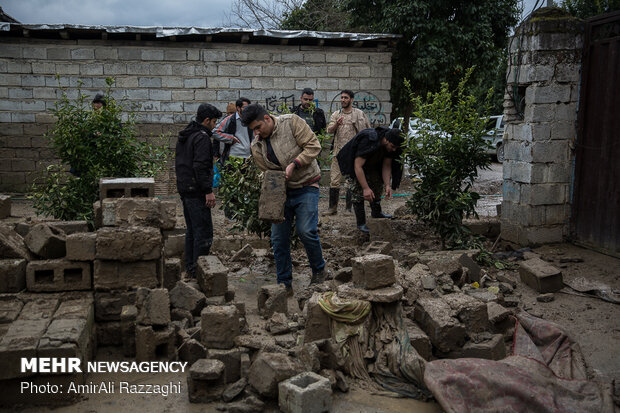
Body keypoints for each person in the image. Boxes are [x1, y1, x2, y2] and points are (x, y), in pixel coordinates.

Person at [241, 103, 327, 293]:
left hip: (306, 185)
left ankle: (319, 271)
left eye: (258, 127)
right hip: (281, 192)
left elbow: (314, 146)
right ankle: (284, 283)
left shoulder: (292, 123)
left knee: (306, 231)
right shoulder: (257, 145)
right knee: (278, 239)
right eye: (252, 130)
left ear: (266, 118)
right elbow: (268, 172)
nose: (256, 133)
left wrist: (295, 164)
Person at [175, 103, 222, 278]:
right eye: (214, 122)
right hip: (196, 191)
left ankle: (190, 268)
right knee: (203, 232)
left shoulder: (186, 135)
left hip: (185, 189)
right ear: (206, 120)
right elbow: (200, 167)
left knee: (192, 231)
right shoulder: (201, 137)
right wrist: (208, 191)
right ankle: (198, 272)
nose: (215, 125)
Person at [336, 127, 404, 233]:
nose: (394, 149)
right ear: (386, 140)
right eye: (393, 146)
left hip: (372, 164)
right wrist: (365, 188)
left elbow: (386, 165)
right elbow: (358, 166)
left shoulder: (391, 146)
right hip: (355, 164)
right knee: (358, 190)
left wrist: (387, 185)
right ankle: (361, 223)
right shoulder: (369, 139)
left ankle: (376, 213)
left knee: (377, 184)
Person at [325, 90, 370, 215]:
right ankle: (332, 208)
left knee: (350, 181)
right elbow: (329, 130)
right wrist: (336, 125)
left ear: (351, 100)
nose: (343, 100)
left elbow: (366, 131)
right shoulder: (336, 114)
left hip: (352, 154)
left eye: (346, 98)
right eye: (342, 98)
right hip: (338, 153)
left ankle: (348, 209)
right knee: (334, 180)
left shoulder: (359, 114)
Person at [212, 97, 252, 163]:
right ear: (238, 108)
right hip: (234, 157)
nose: (247, 110)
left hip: (248, 157)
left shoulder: (250, 120)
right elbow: (215, 132)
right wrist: (230, 138)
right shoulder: (230, 119)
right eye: (244, 107)